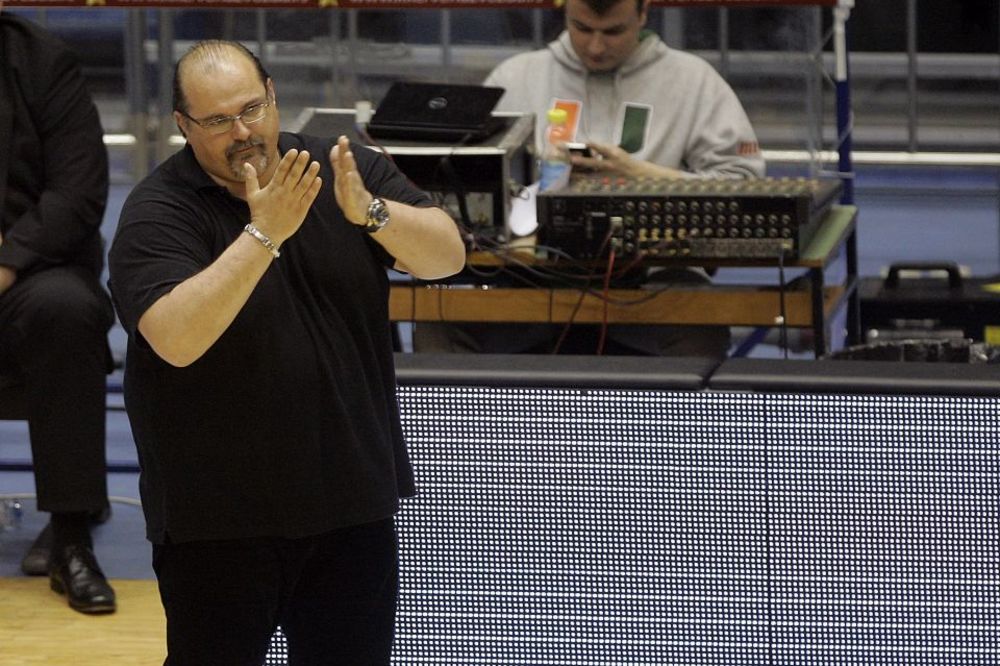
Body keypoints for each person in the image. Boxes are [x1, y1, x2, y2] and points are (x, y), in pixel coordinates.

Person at [107, 40, 464, 663]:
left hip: (352, 503)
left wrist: (373, 213)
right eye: (218, 121)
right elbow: (175, 339)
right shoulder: (157, 211)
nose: (243, 132)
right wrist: (264, 232)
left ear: (273, 95)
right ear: (183, 126)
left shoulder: (340, 166)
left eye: (252, 109)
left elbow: (446, 258)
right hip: (218, 521)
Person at [413, 0, 765, 357]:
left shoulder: (692, 80)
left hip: (651, 274)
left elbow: (744, 184)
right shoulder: (518, 77)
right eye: (582, 29)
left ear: (643, 15)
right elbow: (472, 179)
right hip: (530, 274)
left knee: (699, 320)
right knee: (440, 315)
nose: (596, 47)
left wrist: (642, 175)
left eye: (613, 31)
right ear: (563, 13)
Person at [0, 7, 117, 614]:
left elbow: (79, 189)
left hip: (35, 270)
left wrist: (9, 260)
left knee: (67, 310)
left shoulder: (44, 59)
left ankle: (72, 538)